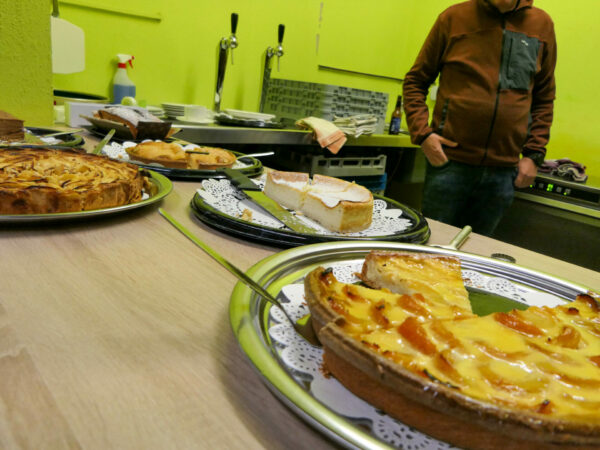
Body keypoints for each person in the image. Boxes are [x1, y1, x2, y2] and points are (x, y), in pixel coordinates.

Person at [402, 0, 556, 236]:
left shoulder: (541, 25)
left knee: (479, 250)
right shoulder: (453, 18)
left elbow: (544, 97)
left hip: (503, 171)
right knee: (433, 244)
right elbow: (415, 82)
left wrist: (534, 155)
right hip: (449, 163)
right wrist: (423, 134)